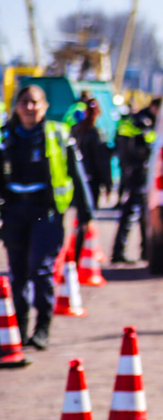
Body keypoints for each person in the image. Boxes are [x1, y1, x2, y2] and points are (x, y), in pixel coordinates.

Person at [0, 85, 94, 349]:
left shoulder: (59, 134)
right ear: (16, 106)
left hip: (46, 213)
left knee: (39, 270)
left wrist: (86, 213)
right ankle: (17, 327)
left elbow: (77, 174)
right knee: (17, 274)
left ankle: (42, 329)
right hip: (14, 211)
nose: (29, 108)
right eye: (24, 103)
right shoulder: (5, 136)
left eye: (34, 103)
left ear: (44, 107)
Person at [111, 98, 159, 263]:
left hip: (131, 171)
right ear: (154, 107)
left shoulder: (135, 120)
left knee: (137, 214)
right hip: (139, 173)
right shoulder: (143, 122)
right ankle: (121, 251)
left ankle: (144, 250)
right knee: (132, 213)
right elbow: (146, 147)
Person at [71, 97, 112, 208]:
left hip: (76, 177)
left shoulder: (74, 129)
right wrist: (108, 184)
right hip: (91, 179)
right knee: (88, 214)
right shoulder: (95, 133)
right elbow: (102, 161)